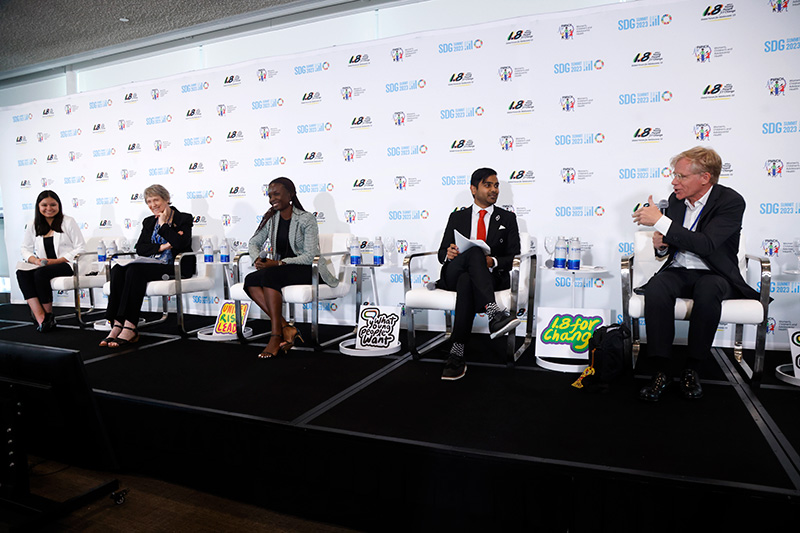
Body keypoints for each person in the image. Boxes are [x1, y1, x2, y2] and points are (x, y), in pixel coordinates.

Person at [632, 146, 759, 401]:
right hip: (679, 270)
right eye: (674, 175)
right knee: (656, 288)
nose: (673, 181)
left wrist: (660, 221)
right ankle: (661, 370)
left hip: (715, 274)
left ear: (705, 178)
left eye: (681, 176)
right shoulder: (677, 201)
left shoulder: (731, 202)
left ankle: (693, 368)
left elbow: (706, 244)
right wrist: (661, 247)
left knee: (708, 289)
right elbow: (674, 243)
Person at [433, 167, 522, 380]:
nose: (494, 190)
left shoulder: (507, 218)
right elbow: (441, 252)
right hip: (454, 272)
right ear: (474, 189)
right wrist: (450, 253)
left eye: (496, 185)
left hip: (488, 275)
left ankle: (456, 353)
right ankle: (494, 313)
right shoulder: (457, 217)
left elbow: (514, 256)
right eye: (488, 185)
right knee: (473, 252)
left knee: (467, 281)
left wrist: (493, 261)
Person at [245, 177, 338, 359]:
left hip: (308, 269)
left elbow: (310, 256)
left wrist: (279, 263)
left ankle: (275, 336)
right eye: (270, 195)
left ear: (291, 194)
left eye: (277, 194)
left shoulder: (306, 218)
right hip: (281, 271)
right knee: (250, 281)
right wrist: (258, 259)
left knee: (270, 276)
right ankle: (286, 327)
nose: (272, 199)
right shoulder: (272, 219)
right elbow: (253, 241)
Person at [100, 184, 195, 347]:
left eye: (156, 200)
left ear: (166, 199)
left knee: (134, 269)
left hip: (174, 266)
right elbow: (141, 248)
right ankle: (116, 324)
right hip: (151, 264)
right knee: (118, 269)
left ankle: (130, 326)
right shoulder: (149, 221)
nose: (152, 205)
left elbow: (180, 243)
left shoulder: (183, 218)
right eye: (149, 202)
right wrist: (162, 246)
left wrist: (164, 225)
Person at [17, 190, 86, 332]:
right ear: (38, 207)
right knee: (21, 273)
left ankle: (48, 314)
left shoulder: (68, 221)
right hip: (42, 264)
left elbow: (81, 247)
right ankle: (40, 316)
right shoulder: (33, 224)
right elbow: (25, 248)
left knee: (41, 274)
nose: (49, 208)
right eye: (44, 205)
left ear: (59, 205)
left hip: (66, 264)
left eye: (53, 205)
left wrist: (57, 261)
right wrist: (34, 260)